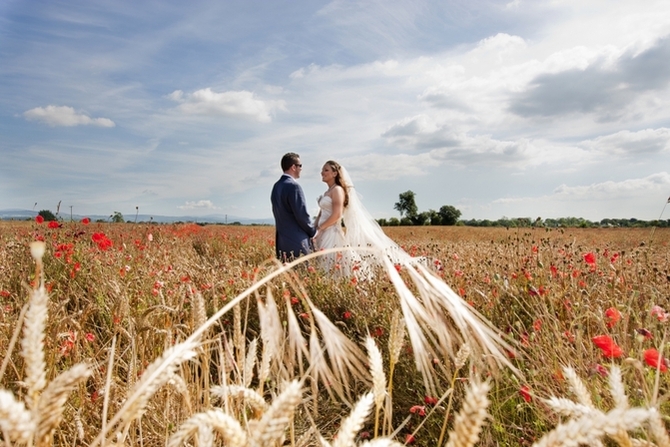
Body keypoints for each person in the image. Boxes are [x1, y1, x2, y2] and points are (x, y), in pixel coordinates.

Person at [271, 153, 317, 261]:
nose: (301, 168)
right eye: (300, 165)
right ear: (293, 167)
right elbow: (301, 215)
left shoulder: (276, 186)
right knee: (301, 275)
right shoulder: (294, 186)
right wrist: (313, 231)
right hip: (297, 242)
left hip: (282, 242)